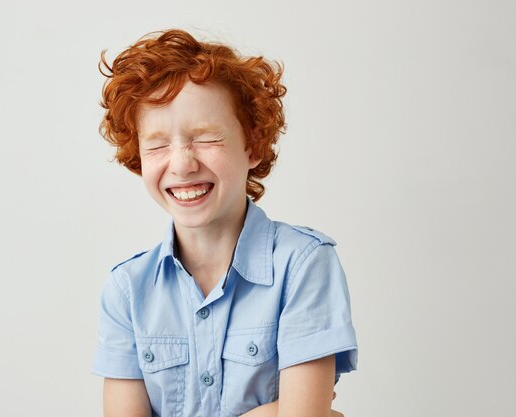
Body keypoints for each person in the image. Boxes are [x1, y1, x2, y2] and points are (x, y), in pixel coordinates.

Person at [92, 29, 358, 417]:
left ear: (252, 144)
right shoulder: (127, 289)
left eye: (206, 138)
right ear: (138, 155)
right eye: (158, 144)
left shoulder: (303, 265)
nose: (182, 163)